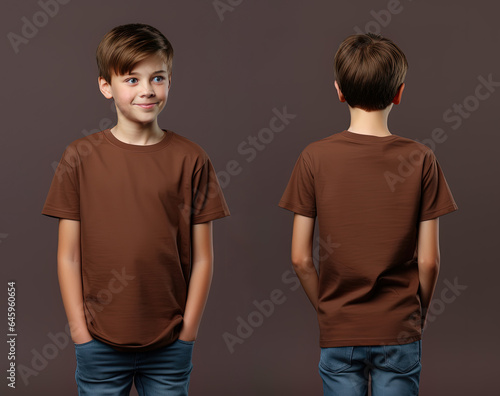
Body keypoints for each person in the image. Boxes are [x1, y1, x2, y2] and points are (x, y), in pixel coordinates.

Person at [41, 23, 230, 396]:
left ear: (170, 82)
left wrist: (188, 331)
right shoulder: (79, 157)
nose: (146, 90)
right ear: (105, 86)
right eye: (131, 79)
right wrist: (80, 332)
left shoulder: (191, 158)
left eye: (157, 78)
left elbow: (204, 257)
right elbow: (68, 255)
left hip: (170, 343)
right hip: (98, 342)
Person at [278, 33, 458, 396]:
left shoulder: (314, 157)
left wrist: (328, 310)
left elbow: (300, 258)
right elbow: (429, 262)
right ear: (399, 92)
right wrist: (414, 313)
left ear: (339, 90)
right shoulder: (421, 159)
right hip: (399, 328)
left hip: (339, 328)